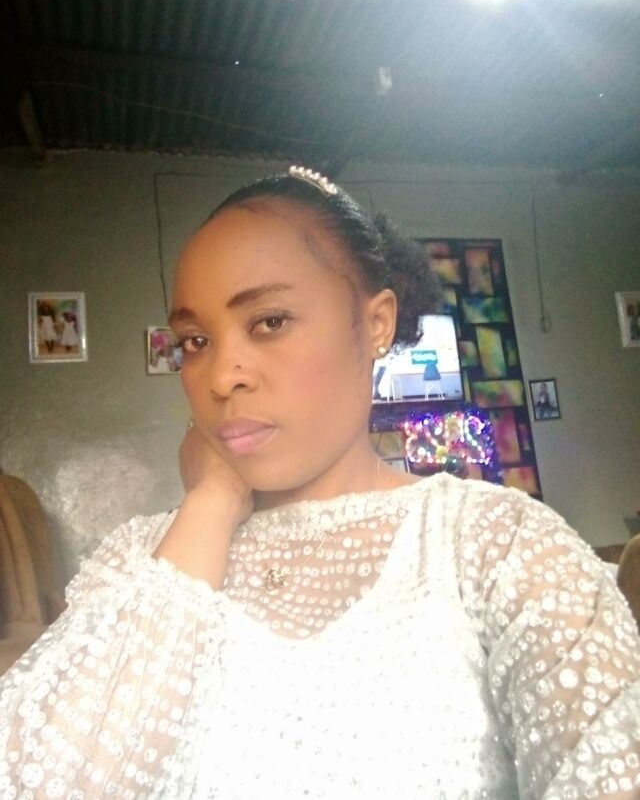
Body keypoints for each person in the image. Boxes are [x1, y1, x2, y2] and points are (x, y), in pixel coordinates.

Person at [1, 167, 639, 798]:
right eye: (194, 341)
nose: (221, 377)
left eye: (269, 321)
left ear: (376, 323)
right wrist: (212, 502)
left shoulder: (499, 545)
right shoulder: (140, 560)